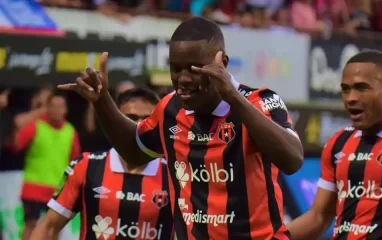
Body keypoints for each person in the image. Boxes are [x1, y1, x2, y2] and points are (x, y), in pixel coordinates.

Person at [59, 17, 303, 239]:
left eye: (195, 69)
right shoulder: (169, 110)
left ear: (222, 63)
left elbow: (293, 160)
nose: (183, 79)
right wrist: (102, 102)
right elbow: (134, 151)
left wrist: (233, 97)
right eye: (176, 68)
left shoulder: (261, 102)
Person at [30, 88, 174, 240]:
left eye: (147, 119)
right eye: (130, 118)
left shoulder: (174, 174)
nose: (138, 126)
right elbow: (48, 227)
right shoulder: (87, 166)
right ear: (115, 123)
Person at [287, 50, 382, 239]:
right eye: (345, 89)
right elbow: (319, 216)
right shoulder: (339, 142)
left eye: (361, 88)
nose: (350, 98)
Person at [7, 92, 81, 240]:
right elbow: (14, 145)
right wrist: (15, 123)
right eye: (52, 106)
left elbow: (77, 162)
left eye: (60, 106)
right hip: (33, 188)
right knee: (31, 226)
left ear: (66, 109)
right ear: (47, 108)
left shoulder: (71, 132)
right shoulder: (36, 126)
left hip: (57, 190)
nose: (56, 110)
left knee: (54, 229)